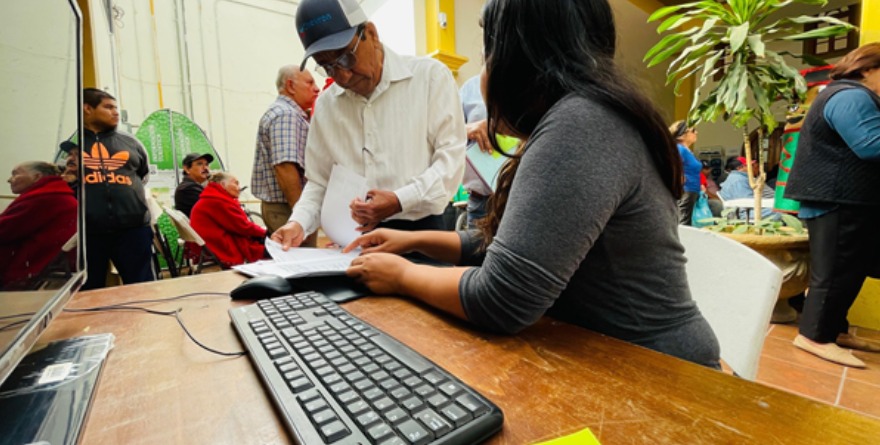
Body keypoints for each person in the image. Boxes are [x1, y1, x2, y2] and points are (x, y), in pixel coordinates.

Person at [343, 0, 720, 368]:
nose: (483, 73)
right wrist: (412, 241)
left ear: (518, 60)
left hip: (658, 372)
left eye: (487, 54)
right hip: (603, 352)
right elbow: (517, 246)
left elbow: (502, 298)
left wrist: (402, 274)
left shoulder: (582, 125)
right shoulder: (585, 116)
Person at [273, 0, 465, 248]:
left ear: (371, 34)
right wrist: (297, 223)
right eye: (327, 66)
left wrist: (399, 200)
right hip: (352, 240)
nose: (342, 76)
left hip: (420, 234)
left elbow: (450, 162)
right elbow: (320, 182)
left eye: (345, 58)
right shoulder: (326, 106)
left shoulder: (429, 78)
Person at [785, 42, 880, 368]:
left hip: (843, 197)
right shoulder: (851, 96)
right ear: (867, 68)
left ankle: (834, 331)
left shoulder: (849, 94)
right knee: (837, 270)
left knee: (848, 269)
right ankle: (814, 337)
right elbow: (870, 145)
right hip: (838, 198)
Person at [81, 87, 155, 290]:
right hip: (89, 233)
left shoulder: (131, 143)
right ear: (87, 108)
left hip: (133, 229)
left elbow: (143, 176)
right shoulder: (71, 146)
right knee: (89, 290)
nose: (115, 112)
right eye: (108, 107)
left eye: (116, 108)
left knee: (142, 288)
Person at [251, 65, 320, 244]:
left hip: (287, 207)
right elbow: (285, 166)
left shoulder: (289, 113)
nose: (317, 88)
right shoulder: (286, 115)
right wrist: (301, 215)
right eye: (310, 82)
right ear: (290, 86)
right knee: (302, 263)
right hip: (287, 208)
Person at [0, 161, 77, 289]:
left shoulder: (44, 198)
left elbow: (4, 230)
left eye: (15, 174)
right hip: (45, 268)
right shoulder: (56, 194)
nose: (9, 180)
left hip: (29, 273)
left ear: (37, 177)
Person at [190, 172, 267, 267]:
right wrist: (267, 233)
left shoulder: (212, 197)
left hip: (209, 247)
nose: (239, 187)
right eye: (236, 183)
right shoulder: (218, 201)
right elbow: (243, 227)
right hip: (220, 249)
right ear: (222, 184)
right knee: (274, 249)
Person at [460, 74, 493, 229]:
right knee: (475, 252)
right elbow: (446, 135)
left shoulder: (535, 82)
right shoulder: (469, 89)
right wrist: (467, 129)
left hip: (522, 199)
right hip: (480, 202)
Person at [669, 120, 702, 225]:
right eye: (693, 130)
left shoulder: (686, 150)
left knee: (686, 220)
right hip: (685, 190)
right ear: (682, 135)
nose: (696, 133)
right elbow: (672, 165)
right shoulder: (679, 149)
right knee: (683, 222)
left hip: (691, 190)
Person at [175, 152, 214, 217]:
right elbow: (215, 210)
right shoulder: (188, 188)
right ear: (187, 169)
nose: (205, 168)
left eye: (207, 164)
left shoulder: (193, 186)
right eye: (199, 164)